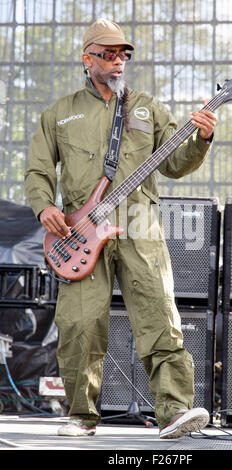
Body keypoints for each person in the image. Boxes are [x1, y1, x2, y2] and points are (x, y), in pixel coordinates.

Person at [24, 18, 217, 438]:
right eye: (108, 53)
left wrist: (200, 139)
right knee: (79, 324)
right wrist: (44, 210)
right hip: (79, 231)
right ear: (87, 58)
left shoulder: (146, 107)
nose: (118, 61)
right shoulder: (59, 113)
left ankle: (175, 412)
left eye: (123, 54)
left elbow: (174, 163)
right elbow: (38, 171)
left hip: (139, 226)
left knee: (158, 316)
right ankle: (81, 415)